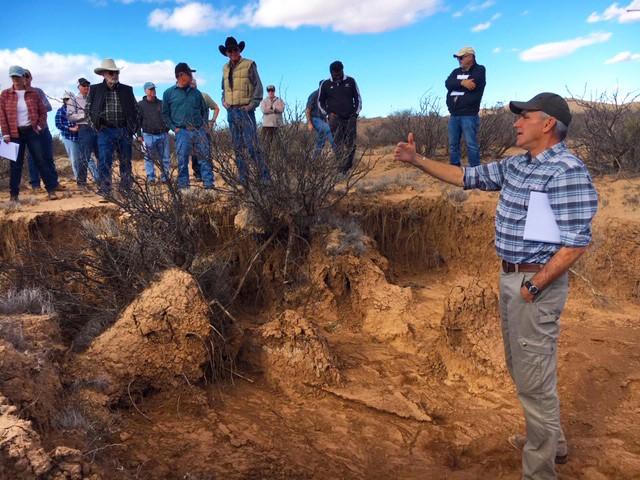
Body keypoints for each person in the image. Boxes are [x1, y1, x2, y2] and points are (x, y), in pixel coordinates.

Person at [394, 92, 598, 480]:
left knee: (534, 374)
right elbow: (466, 176)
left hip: (534, 283)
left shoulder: (566, 170)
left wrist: (535, 285)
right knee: (524, 368)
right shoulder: (519, 166)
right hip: (512, 278)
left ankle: (538, 471)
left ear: (548, 124)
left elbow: (577, 242)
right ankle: (553, 442)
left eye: (525, 117)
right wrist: (416, 160)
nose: (517, 123)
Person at [0, 66, 58, 201]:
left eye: (18, 77)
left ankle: (50, 190)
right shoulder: (5, 94)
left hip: (31, 131)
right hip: (14, 134)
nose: (16, 80)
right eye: (13, 77)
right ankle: (14, 195)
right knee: (15, 164)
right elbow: (2, 115)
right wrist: (5, 133)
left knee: (40, 160)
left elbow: (43, 112)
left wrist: (38, 126)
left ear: (23, 77)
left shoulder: (34, 94)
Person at [219, 36, 268, 182]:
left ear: (239, 50)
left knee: (253, 146)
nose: (233, 52)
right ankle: (243, 178)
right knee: (238, 148)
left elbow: (258, 86)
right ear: (226, 52)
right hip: (231, 112)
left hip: (245, 111)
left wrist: (251, 106)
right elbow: (224, 88)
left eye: (235, 49)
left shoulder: (249, 64)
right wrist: (224, 101)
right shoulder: (225, 68)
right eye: (230, 50)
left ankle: (265, 178)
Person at [87, 59, 139, 195]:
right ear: (103, 74)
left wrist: (132, 129)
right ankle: (105, 189)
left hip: (124, 129)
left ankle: (126, 189)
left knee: (126, 161)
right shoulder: (95, 89)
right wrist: (96, 127)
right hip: (104, 130)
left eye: (116, 72)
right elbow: (87, 111)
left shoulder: (127, 90)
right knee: (104, 160)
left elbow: (136, 110)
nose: (114, 75)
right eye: (111, 72)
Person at [162, 62, 214, 190]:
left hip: (199, 130)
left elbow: (204, 110)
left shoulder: (196, 93)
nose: (191, 76)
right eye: (189, 73)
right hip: (182, 132)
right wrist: (175, 129)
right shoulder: (168, 93)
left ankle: (209, 186)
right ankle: (184, 188)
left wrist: (204, 126)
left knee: (205, 159)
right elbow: (165, 114)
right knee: (182, 161)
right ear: (180, 75)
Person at [445, 46, 486, 168]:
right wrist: (462, 83)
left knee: (471, 144)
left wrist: (456, 85)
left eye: (461, 57)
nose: (459, 60)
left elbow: (473, 85)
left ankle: (475, 169)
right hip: (454, 115)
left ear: (471, 57)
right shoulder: (455, 72)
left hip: (469, 114)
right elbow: (448, 83)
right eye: (458, 58)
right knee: (453, 144)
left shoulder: (479, 70)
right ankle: (454, 167)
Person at [318, 61, 361, 173]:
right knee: (338, 143)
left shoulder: (351, 81)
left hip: (350, 118)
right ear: (331, 72)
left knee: (351, 144)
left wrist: (355, 114)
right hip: (334, 119)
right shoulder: (326, 84)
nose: (337, 75)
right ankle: (341, 169)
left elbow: (358, 99)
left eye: (339, 73)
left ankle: (348, 167)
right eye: (334, 73)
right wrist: (328, 114)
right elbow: (320, 101)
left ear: (342, 70)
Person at [24, 69, 60, 191]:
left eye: (27, 76)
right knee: (32, 157)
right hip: (29, 131)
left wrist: (34, 108)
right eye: (22, 76)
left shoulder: (38, 91)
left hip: (44, 129)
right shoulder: (18, 95)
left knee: (48, 156)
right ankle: (35, 185)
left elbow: (48, 106)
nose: (25, 79)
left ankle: (54, 183)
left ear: (31, 77)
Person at [67, 77, 99, 188]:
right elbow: (70, 116)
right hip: (84, 128)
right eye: (84, 85)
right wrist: (84, 115)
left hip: (97, 128)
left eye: (87, 85)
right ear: (78, 87)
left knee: (101, 155)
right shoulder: (73, 100)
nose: (86, 87)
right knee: (84, 156)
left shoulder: (94, 98)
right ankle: (81, 182)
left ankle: (102, 180)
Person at [137, 81, 170, 184]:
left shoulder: (161, 103)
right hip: (148, 135)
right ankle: (151, 178)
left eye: (154, 89)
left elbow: (167, 117)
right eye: (150, 89)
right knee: (148, 158)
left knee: (165, 157)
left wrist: (167, 129)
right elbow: (138, 120)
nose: (153, 91)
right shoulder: (140, 105)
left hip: (162, 134)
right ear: (146, 91)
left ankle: (165, 178)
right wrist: (139, 135)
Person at [189, 77, 219, 182]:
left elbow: (216, 107)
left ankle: (208, 175)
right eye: (190, 83)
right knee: (194, 154)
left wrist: (212, 121)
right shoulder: (186, 98)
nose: (192, 85)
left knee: (206, 153)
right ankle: (197, 174)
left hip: (203, 129)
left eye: (193, 83)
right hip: (190, 130)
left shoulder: (204, 96)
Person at [54, 91, 80, 180]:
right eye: (66, 99)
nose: (67, 101)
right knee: (75, 159)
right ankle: (79, 180)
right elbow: (58, 124)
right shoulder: (61, 111)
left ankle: (97, 179)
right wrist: (70, 129)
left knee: (88, 158)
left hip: (81, 136)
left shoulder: (79, 109)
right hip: (68, 137)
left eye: (69, 99)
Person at [306, 80, 335, 156]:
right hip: (315, 119)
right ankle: (339, 154)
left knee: (321, 141)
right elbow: (308, 109)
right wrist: (309, 123)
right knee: (329, 131)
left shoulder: (326, 97)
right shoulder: (314, 95)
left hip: (323, 120)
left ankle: (314, 159)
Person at [259, 84, 285, 151]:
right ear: (267, 92)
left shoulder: (279, 100)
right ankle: (266, 160)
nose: (270, 92)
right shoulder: (264, 101)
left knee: (280, 145)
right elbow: (264, 110)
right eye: (269, 91)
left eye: (272, 90)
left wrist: (271, 108)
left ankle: (281, 159)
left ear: (274, 91)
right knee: (266, 145)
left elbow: (282, 109)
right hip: (267, 126)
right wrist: (275, 109)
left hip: (278, 125)